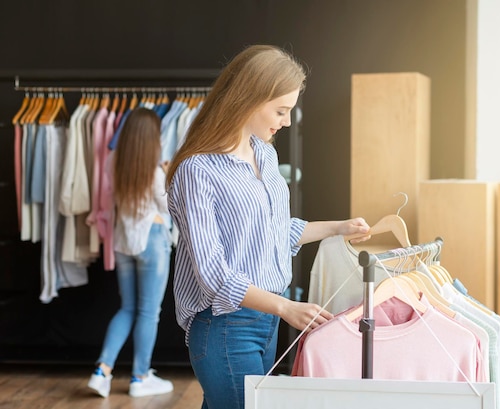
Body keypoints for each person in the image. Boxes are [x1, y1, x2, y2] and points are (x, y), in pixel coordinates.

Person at [165, 44, 371, 409]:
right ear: (248, 98)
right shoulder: (197, 171)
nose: (287, 121)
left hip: (267, 322)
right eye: (281, 110)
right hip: (226, 326)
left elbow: (275, 232)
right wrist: (286, 308)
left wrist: (338, 227)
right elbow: (213, 274)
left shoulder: (265, 154)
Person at [87, 107, 174, 398]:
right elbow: (167, 206)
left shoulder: (113, 160)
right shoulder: (153, 168)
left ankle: (102, 371)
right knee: (149, 312)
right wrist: (166, 174)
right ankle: (140, 377)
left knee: (127, 308)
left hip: (123, 241)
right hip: (152, 238)